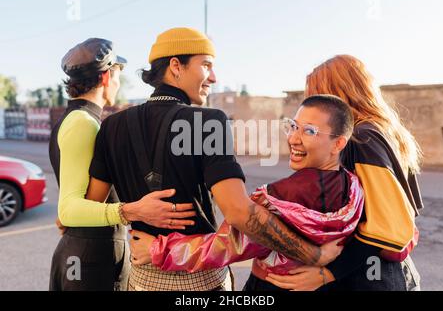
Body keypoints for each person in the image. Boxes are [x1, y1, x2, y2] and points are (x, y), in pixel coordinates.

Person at [86, 27, 342, 291]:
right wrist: (314, 255)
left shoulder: (111, 126)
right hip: (201, 282)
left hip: (140, 281)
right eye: (206, 65)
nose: (214, 77)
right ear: (176, 65)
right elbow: (240, 212)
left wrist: (132, 211)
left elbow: (94, 204)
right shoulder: (207, 122)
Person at [130, 95, 365, 291]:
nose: (293, 138)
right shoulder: (353, 186)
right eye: (293, 126)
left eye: (309, 131)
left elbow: (227, 245)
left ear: (338, 144)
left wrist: (158, 249)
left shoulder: (289, 193)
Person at [265, 55, 423, 291]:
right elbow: (411, 209)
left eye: (316, 93)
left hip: (373, 275)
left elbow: (388, 225)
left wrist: (328, 273)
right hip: (386, 269)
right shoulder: (386, 130)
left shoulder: (362, 136)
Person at [49, 38, 195, 291]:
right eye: (117, 75)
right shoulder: (84, 123)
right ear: (106, 77)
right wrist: (132, 210)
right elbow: (69, 208)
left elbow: (72, 198)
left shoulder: (77, 118)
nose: (117, 83)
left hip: (87, 252)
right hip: (90, 258)